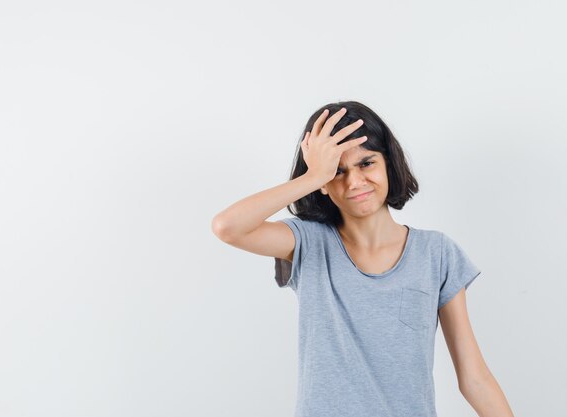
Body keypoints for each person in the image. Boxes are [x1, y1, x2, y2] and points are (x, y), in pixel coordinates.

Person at [211, 101, 514, 417]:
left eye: (366, 163)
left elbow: (475, 378)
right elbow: (228, 227)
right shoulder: (308, 242)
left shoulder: (436, 254)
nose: (354, 182)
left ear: (388, 164)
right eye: (337, 171)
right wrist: (313, 176)